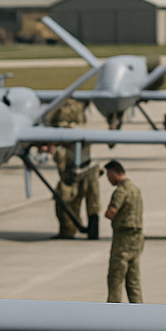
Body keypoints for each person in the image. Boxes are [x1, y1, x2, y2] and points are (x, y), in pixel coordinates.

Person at [47, 98, 100, 239]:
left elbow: (62, 158)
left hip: (80, 173)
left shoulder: (74, 136)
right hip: (76, 174)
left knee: (89, 205)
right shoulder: (81, 133)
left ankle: (78, 232)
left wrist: (55, 151)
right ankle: (72, 231)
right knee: (81, 204)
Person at [103, 160, 142, 302]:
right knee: (133, 281)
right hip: (136, 240)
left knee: (116, 277)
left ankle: (113, 310)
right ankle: (138, 309)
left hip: (122, 240)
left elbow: (111, 212)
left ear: (115, 173)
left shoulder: (121, 191)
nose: (108, 178)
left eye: (109, 175)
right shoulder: (135, 189)